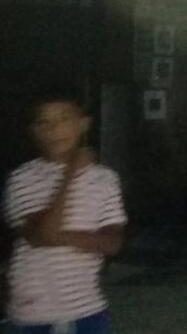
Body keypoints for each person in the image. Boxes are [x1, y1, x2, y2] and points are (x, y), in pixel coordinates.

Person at [3, 86, 126, 333]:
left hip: (87, 308)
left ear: (83, 124)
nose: (54, 129)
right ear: (34, 130)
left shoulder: (105, 179)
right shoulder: (23, 178)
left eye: (64, 119)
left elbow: (113, 242)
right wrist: (71, 173)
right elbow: (41, 236)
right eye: (44, 122)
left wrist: (60, 236)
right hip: (32, 313)